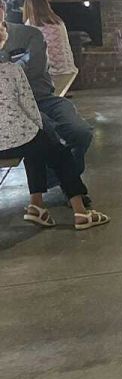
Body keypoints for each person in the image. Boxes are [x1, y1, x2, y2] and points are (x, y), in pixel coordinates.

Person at [0, 20, 108, 229]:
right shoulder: (11, 70)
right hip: (17, 118)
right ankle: (78, 207)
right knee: (49, 144)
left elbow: (34, 71)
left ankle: (39, 202)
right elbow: (26, 105)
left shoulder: (29, 36)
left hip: (41, 101)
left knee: (72, 134)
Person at [2, 21, 94, 179]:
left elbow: (36, 66)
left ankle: (57, 178)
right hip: (10, 111)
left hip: (44, 99)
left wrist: (10, 70)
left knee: (80, 131)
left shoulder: (29, 34)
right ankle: (72, 187)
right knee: (45, 131)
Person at [22, 0, 77, 77]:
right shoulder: (57, 21)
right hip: (68, 67)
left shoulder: (31, 24)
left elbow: (31, 54)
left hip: (51, 72)